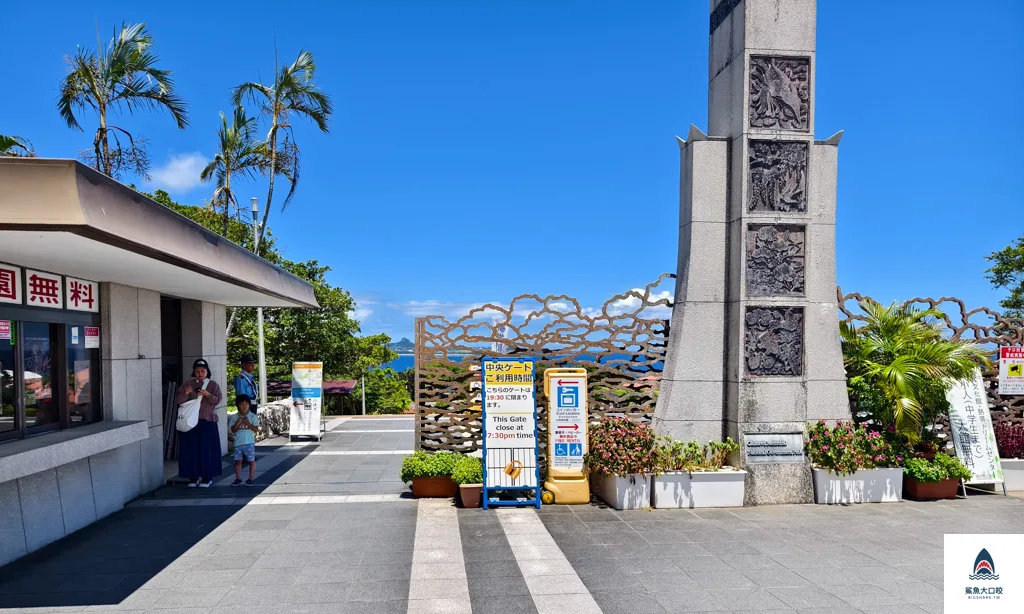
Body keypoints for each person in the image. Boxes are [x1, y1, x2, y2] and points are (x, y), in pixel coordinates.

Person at [176, 358, 223, 488]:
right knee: (190, 450)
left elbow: (217, 400)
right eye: (197, 371)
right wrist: (186, 393)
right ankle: (193, 477)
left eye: (203, 371)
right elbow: (178, 400)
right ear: (193, 372)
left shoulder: (212, 385)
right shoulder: (188, 384)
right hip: (190, 422)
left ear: (207, 371)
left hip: (207, 420)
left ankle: (207, 477)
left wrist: (207, 394)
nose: (200, 373)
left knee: (207, 450)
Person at [228, 394, 259, 486]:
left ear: (249, 405)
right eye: (241, 404)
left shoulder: (253, 416)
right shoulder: (234, 417)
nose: (244, 406)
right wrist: (238, 423)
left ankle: (250, 479)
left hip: (249, 442)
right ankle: (238, 478)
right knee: (238, 461)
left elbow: (256, 429)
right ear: (238, 405)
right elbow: (233, 430)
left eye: (246, 404)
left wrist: (248, 424)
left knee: (251, 461)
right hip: (238, 443)